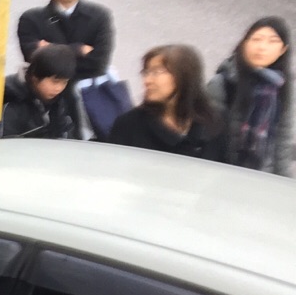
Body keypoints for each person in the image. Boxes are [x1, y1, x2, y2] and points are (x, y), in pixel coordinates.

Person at [108, 44, 228, 161]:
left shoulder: (215, 121)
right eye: (146, 72)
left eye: (156, 72)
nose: (147, 80)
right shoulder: (129, 125)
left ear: (183, 74)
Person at [206, 16, 293, 176]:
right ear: (244, 43)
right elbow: (208, 138)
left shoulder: (283, 86)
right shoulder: (222, 83)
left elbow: (283, 140)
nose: (262, 47)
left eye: (272, 41)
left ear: (283, 50)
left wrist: (284, 183)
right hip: (224, 175)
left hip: (263, 178)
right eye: (256, 39)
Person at [16, 0, 114, 84]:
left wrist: (50, 49)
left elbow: (99, 65)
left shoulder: (100, 17)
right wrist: (78, 49)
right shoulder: (31, 19)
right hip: (44, 96)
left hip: (87, 95)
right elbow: (34, 61)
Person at [0, 43, 81, 140]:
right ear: (35, 77)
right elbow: (7, 141)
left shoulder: (58, 100)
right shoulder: (11, 100)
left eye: (64, 82)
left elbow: (65, 131)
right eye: (55, 82)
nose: (59, 88)